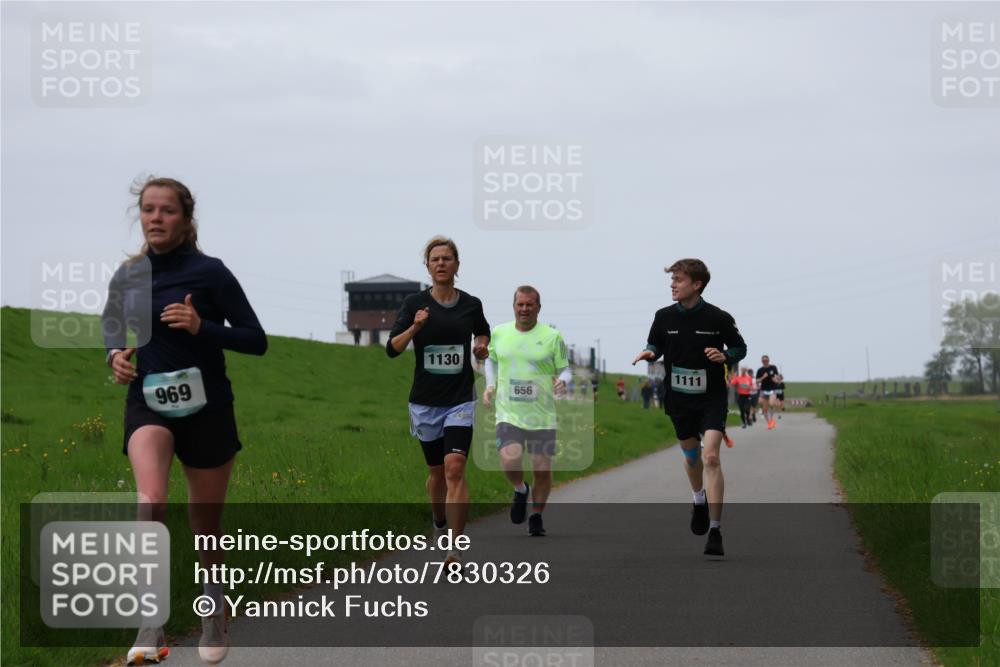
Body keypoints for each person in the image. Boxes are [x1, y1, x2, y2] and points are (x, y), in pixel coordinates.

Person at [103, 177, 267, 666]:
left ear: (186, 219)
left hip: (207, 407)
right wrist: (114, 355)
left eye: (167, 211)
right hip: (148, 401)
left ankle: (213, 614)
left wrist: (203, 327)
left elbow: (256, 339)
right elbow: (111, 322)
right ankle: (149, 621)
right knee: (151, 500)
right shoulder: (129, 274)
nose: (156, 218)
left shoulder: (211, 273)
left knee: (205, 527)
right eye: (148, 210)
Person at [386, 236, 490, 566]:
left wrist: (480, 346)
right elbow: (392, 348)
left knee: (455, 469)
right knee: (436, 475)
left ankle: (455, 548)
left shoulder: (471, 304)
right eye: (435, 259)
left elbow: (483, 331)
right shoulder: (414, 303)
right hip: (425, 401)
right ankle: (439, 521)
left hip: (460, 399)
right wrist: (415, 327)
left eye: (447, 258)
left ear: (457, 265)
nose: (441, 263)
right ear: (428, 266)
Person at [633, 258, 746, 557]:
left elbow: (739, 347)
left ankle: (715, 530)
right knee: (692, 456)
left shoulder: (718, 317)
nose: (672, 285)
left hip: (711, 397)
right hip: (679, 397)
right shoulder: (663, 316)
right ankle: (698, 499)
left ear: (696, 285)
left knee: (711, 457)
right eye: (672, 280)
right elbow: (655, 343)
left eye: (679, 280)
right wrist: (649, 352)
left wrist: (725, 355)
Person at [483, 286, 571, 537]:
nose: (524, 309)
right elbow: (491, 360)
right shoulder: (499, 333)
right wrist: (490, 385)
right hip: (508, 412)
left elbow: (565, 368)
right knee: (510, 459)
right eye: (520, 304)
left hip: (542, 414)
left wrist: (563, 381)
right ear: (514, 306)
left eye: (529, 305)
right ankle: (521, 489)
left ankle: (537, 515)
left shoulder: (553, 336)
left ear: (538, 307)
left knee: (542, 469)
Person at [756, 355, 781, 429]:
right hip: (764, 390)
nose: (765, 362)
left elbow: (778, 377)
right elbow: (757, 381)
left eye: (766, 360)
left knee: (771, 403)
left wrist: (776, 379)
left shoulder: (773, 367)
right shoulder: (760, 370)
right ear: (761, 361)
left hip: (772, 389)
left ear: (768, 360)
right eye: (763, 361)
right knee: (764, 409)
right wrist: (763, 377)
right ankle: (769, 423)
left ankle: (772, 418)